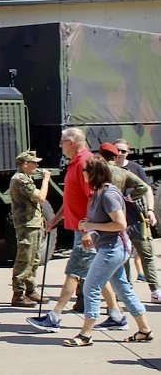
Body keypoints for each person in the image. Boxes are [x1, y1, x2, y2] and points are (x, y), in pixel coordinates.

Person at [61, 155, 153, 346]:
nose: (83, 174)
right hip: (112, 248)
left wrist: (90, 226)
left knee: (90, 287)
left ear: (94, 173)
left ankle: (86, 334)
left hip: (113, 249)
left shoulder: (109, 194)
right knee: (123, 288)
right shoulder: (99, 192)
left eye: (85, 171)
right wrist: (89, 227)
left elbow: (120, 224)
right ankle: (144, 330)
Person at [28, 127, 108, 331]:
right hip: (80, 227)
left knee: (73, 271)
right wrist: (55, 219)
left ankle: (55, 316)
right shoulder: (75, 163)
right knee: (95, 273)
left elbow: (92, 197)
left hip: (85, 229)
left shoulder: (84, 162)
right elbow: (72, 197)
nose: (60, 146)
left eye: (62, 142)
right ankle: (116, 314)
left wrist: (88, 230)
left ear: (72, 142)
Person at [113, 138, 160, 303]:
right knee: (122, 258)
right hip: (118, 220)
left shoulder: (135, 168)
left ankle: (155, 290)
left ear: (128, 152)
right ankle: (125, 291)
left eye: (123, 151)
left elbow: (146, 190)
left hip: (137, 218)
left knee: (146, 254)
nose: (119, 154)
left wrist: (150, 211)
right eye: (116, 150)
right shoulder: (108, 170)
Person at [9, 150, 50, 307]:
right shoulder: (20, 179)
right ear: (25, 164)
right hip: (26, 224)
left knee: (34, 259)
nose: (37, 166)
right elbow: (41, 198)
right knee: (25, 258)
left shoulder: (26, 178)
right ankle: (18, 294)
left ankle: (30, 290)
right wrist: (45, 180)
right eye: (34, 163)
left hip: (34, 223)